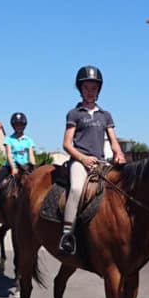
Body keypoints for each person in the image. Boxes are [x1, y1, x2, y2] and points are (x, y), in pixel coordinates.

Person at [58, 65, 127, 255]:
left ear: (99, 90)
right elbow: (66, 144)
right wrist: (82, 158)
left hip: (101, 163)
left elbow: (113, 141)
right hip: (80, 161)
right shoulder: (75, 113)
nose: (90, 92)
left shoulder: (105, 115)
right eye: (86, 88)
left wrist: (119, 154)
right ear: (80, 89)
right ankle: (67, 235)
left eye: (94, 88)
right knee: (76, 189)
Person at [0, 111, 37, 218]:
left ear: (24, 125)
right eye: (16, 125)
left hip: (25, 167)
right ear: (13, 126)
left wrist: (34, 167)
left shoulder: (29, 140)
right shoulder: (9, 139)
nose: (18, 127)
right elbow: (9, 155)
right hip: (10, 166)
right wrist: (13, 168)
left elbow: (31, 155)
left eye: (21, 124)